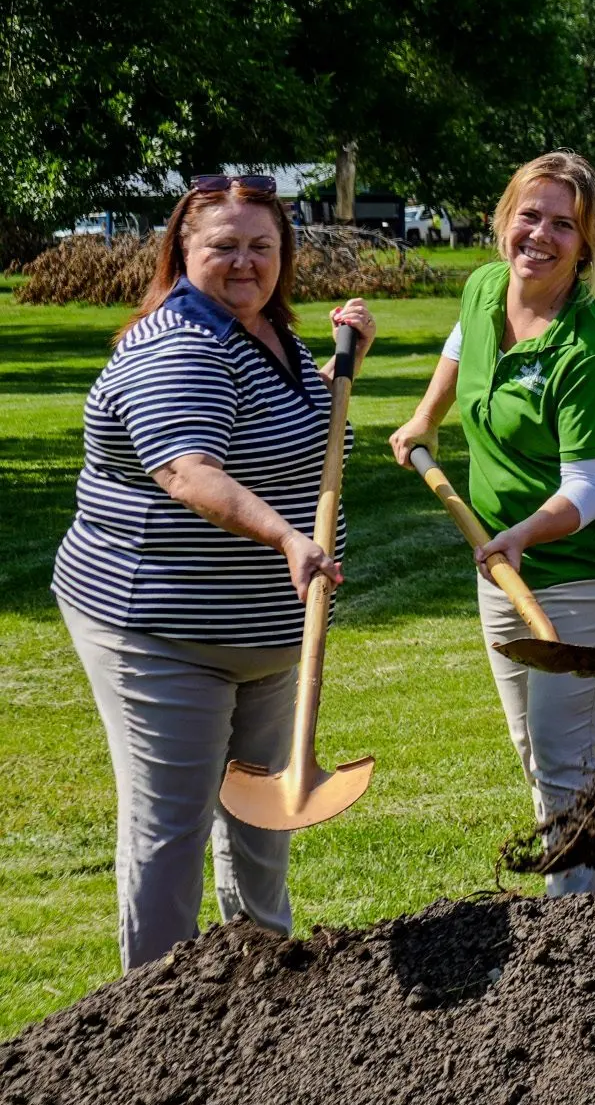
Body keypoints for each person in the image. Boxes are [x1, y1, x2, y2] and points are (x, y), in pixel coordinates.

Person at [55, 174, 377, 967]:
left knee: (263, 820)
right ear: (182, 251)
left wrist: (344, 367)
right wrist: (286, 539)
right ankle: (154, 1015)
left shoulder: (268, 332)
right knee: (172, 829)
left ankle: (262, 991)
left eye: (261, 247)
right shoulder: (178, 347)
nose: (244, 262)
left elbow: (295, 434)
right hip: (164, 635)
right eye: (223, 247)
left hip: (269, 636)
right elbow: (189, 471)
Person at [388, 152, 595, 896]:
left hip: (586, 563)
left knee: (561, 751)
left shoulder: (587, 351)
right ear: (503, 219)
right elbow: (459, 343)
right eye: (529, 216)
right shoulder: (482, 287)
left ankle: (574, 929)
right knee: (533, 747)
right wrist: (424, 419)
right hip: (503, 557)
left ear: (588, 244)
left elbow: (588, 488)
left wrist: (525, 537)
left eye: (563, 225)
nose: (540, 235)